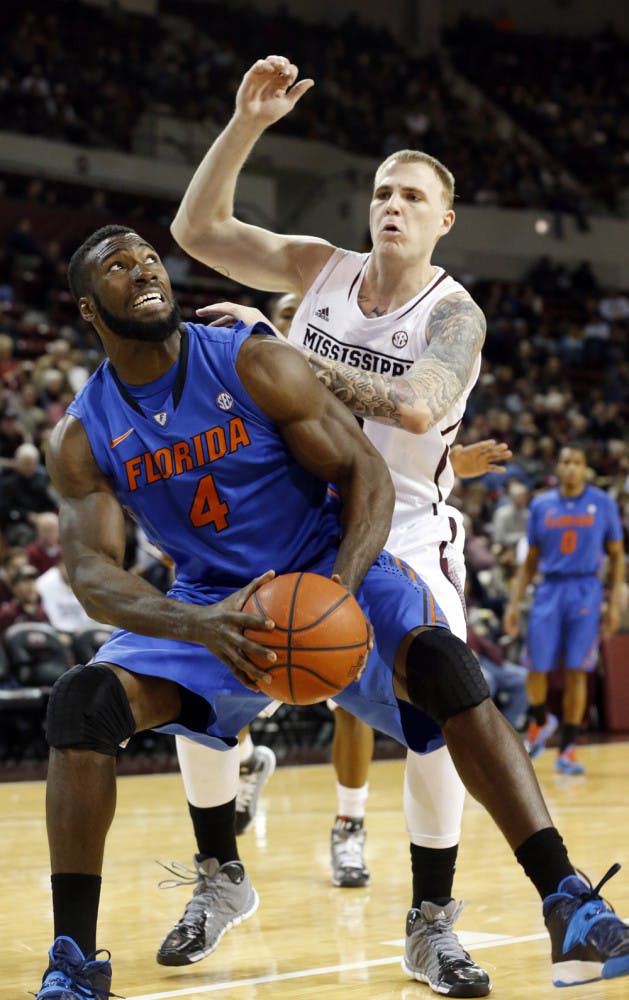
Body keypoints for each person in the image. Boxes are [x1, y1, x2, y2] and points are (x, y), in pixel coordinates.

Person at [34, 225, 629, 1000]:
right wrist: (198, 626)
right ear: (88, 307)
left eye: (149, 258)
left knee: (446, 664)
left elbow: (364, 474)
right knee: (81, 705)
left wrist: (338, 588)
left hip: (327, 566)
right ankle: (75, 959)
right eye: (118, 267)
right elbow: (89, 573)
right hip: (212, 603)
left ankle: (568, 902)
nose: (143, 269)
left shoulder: (249, 358)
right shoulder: (81, 432)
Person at [168, 52, 502, 990]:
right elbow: (196, 230)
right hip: (291, 512)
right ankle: (218, 878)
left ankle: (430, 920)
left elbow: (415, 407)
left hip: (398, 523)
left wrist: (276, 354)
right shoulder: (321, 267)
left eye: (411, 196)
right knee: (205, 669)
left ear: (443, 219)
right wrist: (245, 125)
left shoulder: (455, 317)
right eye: (381, 192)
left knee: (440, 696)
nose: (390, 205)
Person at [504, 445, 626, 775]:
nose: (571, 468)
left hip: (586, 589)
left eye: (577, 462)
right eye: (565, 462)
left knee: (577, 670)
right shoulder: (542, 505)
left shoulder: (602, 503)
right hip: (549, 589)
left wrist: (613, 603)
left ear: (585, 468)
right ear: (558, 467)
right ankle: (541, 720)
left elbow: (616, 556)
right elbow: (530, 559)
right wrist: (514, 604)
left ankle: (568, 749)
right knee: (535, 666)